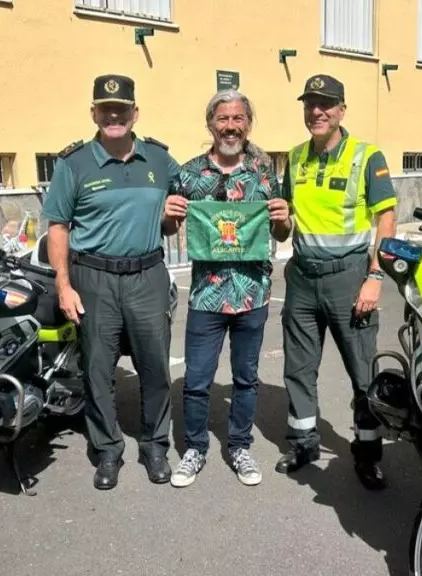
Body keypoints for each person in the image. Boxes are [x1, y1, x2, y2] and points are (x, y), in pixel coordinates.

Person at [42, 74, 180, 491]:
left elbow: (178, 216)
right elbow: (58, 228)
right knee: (98, 369)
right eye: (106, 109)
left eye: (122, 109)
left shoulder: (159, 160)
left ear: (135, 113)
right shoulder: (74, 163)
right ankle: (107, 450)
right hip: (93, 279)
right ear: (94, 114)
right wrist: (64, 286)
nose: (114, 116)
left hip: (147, 275)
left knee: (155, 365)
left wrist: (172, 217)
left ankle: (155, 445)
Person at [161, 89, 292, 488]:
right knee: (198, 379)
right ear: (210, 124)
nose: (230, 126)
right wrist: (167, 216)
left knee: (245, 378)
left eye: (238, 119)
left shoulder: (264, 173)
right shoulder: (188, 174)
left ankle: (239, 446)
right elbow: (169, 229)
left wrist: (285, 218)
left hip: (253, 292)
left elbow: (281, 231)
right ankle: (195, 450)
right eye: (223, 119)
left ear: (248, 123)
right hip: (205, 294)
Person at [275, 74, 398, 490]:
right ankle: (304, 442)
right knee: (298, 368)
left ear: (342, 109)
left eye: (326, 104)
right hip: (303, 278)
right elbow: (286, 224)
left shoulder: (366, 156)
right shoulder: (293, 158)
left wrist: (375, 277)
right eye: (310, 103)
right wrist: (281, 221)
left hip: (350, 277)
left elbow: (387, 220)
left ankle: (367, 454)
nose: (317, 111)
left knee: (363, 373)